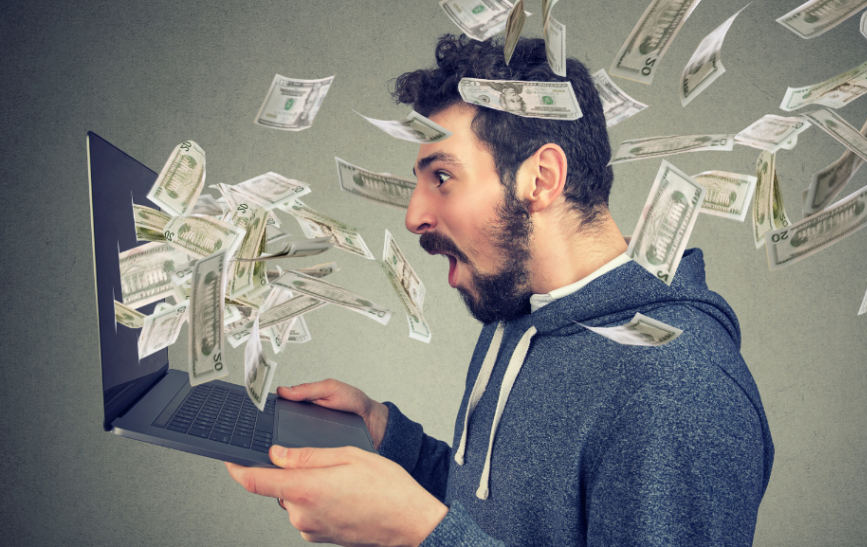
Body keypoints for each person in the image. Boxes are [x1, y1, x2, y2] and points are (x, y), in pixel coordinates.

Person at [226, 34, 774, 547]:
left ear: (541, 179)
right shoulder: (520, 309)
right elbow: (499, 516)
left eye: (442, 177)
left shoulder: (675, 389)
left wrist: (415, 533)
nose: (414, 216)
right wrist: (389, 440)